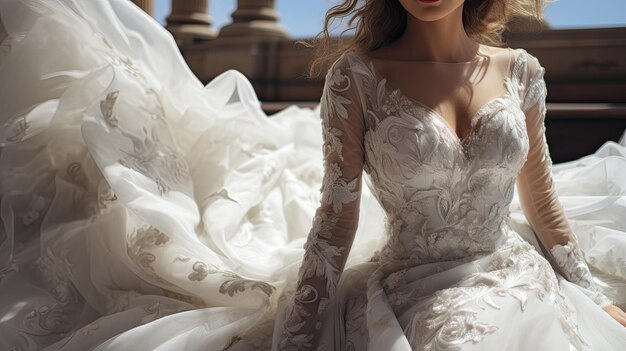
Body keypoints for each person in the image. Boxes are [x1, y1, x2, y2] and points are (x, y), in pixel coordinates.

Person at [0, 0, 624, 350]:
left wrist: (591, 294)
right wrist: (299, 335)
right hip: (415, 285)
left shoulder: (521, 69)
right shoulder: (356, 76)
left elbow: (540, 197)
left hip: (513, 271)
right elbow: (335, 217)